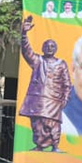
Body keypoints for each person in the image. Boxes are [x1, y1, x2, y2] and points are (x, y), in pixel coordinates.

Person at [19, 15, 72, 152]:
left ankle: (55, 146)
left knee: (52, 123)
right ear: (42, 48)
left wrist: (65, 97)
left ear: (56, 48)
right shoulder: (37, 61)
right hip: (37, 99)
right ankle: (39, 146)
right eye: (47, 46)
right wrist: (24, 34)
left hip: (54, 100)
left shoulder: (61, 64)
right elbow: (26, 51)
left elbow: (67, 83)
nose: (49, 48)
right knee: (37, 124)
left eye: (52, 46)